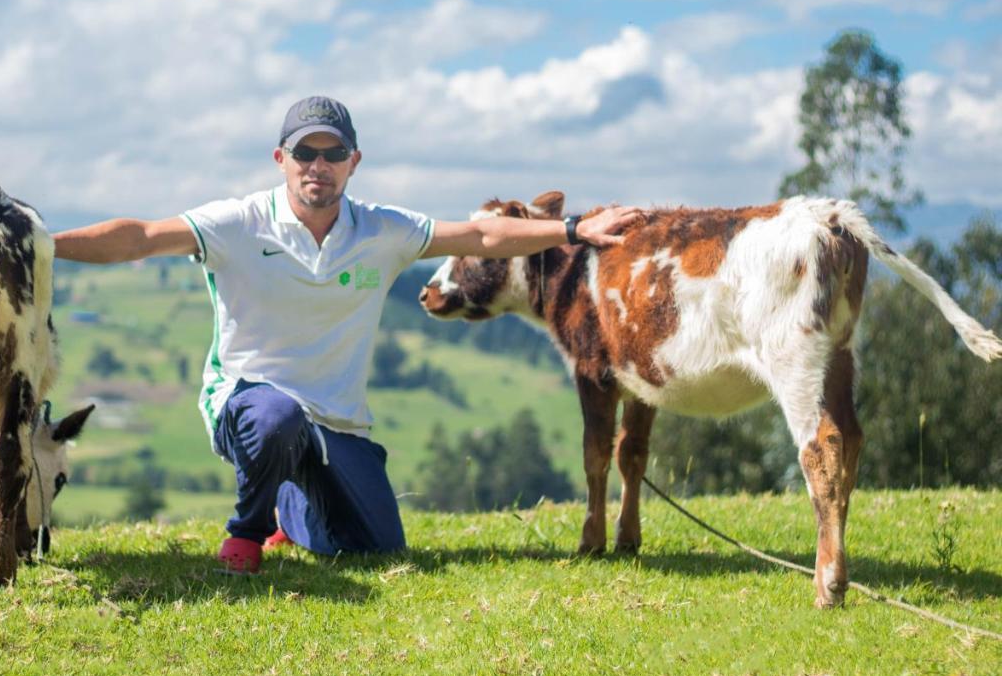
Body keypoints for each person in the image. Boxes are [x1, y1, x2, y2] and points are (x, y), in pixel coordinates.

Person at [53, 96, 642, 572]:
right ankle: (245, 535)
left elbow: (481, 237)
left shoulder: (381, 229)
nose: (319, 163)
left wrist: (573, 229)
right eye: (305, 151)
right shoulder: (239, 222)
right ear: (280, 158)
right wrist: (42, 247)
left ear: (354, 161)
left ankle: (291, 507)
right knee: (276, 417)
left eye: (333, 151)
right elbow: (142, 237)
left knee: (377, 551)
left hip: (337, 423)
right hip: (249, 405)